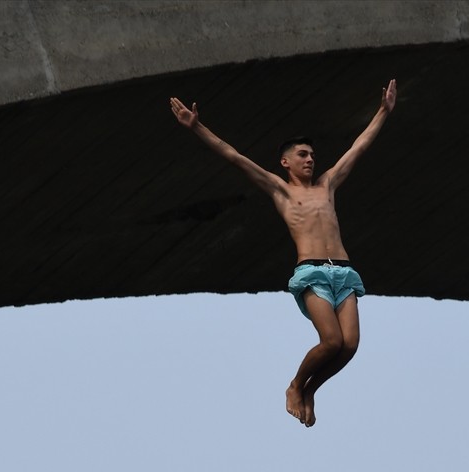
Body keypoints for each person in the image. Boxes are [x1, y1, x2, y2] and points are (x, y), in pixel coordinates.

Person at [169, 79, 397, 427]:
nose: (310, 160)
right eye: (303, 155)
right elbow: (234, 156)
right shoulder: (281, 190)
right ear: (285, 162)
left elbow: (359, 147)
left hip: (345, 273)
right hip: (313, 273)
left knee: (349, 346)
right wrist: (197, 127)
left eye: (312, 155)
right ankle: (294, 385)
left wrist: (383, 111)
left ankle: (311, 390)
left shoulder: (328, 184)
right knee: (331, 340)